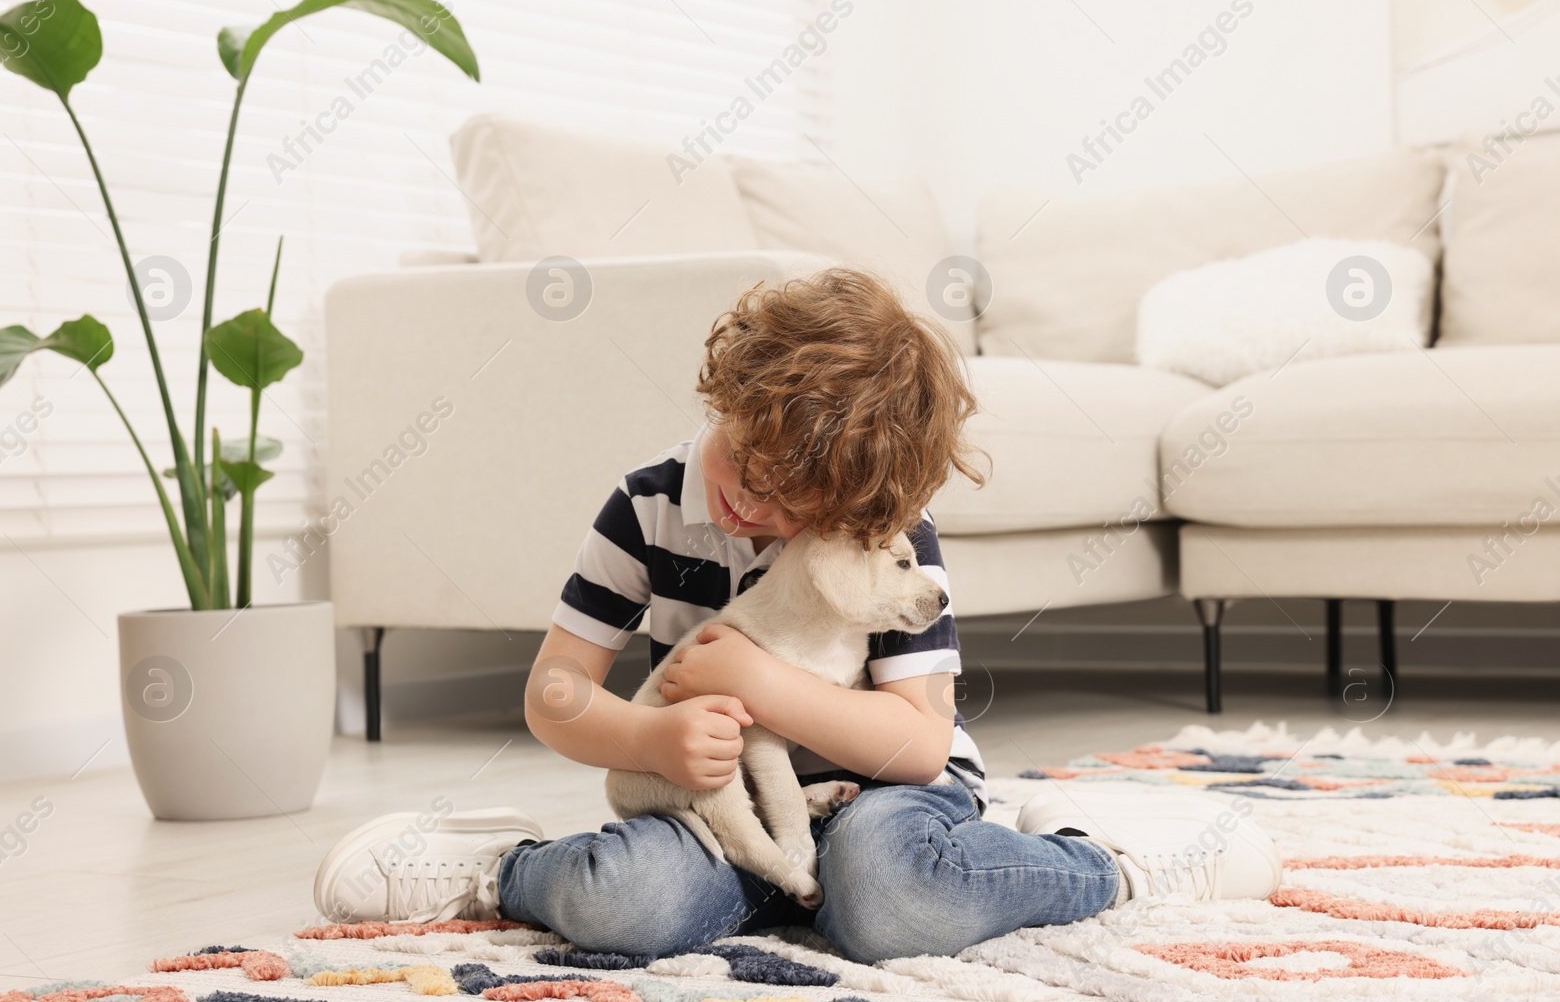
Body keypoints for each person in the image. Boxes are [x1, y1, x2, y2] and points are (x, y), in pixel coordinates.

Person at [312, 269, 1281, 964]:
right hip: (723, 806)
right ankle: (500, 868)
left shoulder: (886, 532)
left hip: (880, 798)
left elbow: (916, 744)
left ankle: (1101, 864)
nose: (754, 509)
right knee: (635, 901)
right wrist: (650, 732)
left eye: (794, 503)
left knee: (889, 899)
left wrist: (758, 681)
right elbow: (557, 690)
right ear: (728, 395)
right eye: (748, 464)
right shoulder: (646, 505)